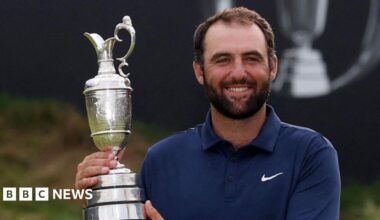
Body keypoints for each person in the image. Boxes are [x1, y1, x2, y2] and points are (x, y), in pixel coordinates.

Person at [75, 7, 340, 220]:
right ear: (200, 71)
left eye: (251, 58)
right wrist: (101, 196)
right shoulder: (161, 160)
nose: (238, 73)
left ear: (272, 67)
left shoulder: (311, 155)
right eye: (223, 60)